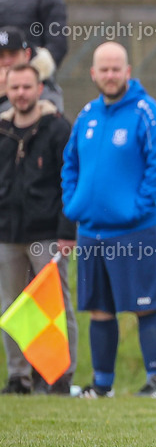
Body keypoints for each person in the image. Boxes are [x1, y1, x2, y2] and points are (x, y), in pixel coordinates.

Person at [62, 42, 156, 398]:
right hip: (92, 231)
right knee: (99, 310)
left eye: (116, 69)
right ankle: (102, 386)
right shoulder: (86, 115)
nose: (110, 75)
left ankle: (155, 382)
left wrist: (138, 208)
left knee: (145, 306)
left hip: (136, 230)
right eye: (103, 69)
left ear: (128, 71)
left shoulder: (146, 111)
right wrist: (72, 204)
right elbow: (70, 164)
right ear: (93, 74)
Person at [0, 63, 77, 394]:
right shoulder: (2, 130)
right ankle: (19, 377)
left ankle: (60, 376)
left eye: (26, 87)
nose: (20, 94)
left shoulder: (59, 129)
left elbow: (71, 183)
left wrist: (67, 230)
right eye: (14, 88)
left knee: (55, 305)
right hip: (7, 234)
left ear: (39, 88)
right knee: (11, 307)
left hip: (47, 234)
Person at [0, 25, 63, 114]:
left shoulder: (45, 87)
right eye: (1, 55)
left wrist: (4, 97)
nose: (7, 61)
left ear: (27, 55)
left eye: (13, 54)